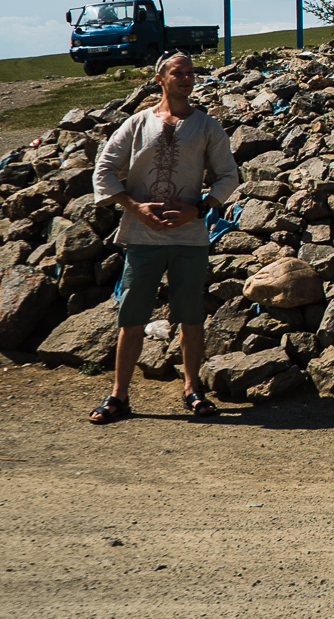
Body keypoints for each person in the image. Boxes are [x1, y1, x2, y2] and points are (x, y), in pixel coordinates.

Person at [86, 51, 238, 423]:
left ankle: (192, 390)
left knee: (191, 317)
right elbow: (104, 168)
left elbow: (227, 176)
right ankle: (119, 396)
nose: (186, 78)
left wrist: (200, 208)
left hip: (190, 237)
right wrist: (135, 207)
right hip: (142, 236)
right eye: (177, 73)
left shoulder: (207, 127)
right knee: (132, 316)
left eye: (190, 73)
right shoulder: (137, 124)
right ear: (161, 79)